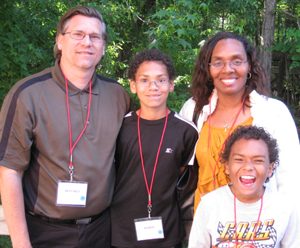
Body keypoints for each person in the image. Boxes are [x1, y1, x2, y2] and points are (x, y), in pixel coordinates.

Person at [0, 6, 133, 248]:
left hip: (102, 231)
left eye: (95, 37)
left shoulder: (119, 96)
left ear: (103, 47)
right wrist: (21, 244)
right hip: (45, 233)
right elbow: (9, 170)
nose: (87, 42)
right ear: (60, 41)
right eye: (78, 34)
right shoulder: (27, 94)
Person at [179, 32, 300, 213]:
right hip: (204, 226)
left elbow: (290, 182)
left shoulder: (274, 113)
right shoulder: (194, 109)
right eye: (218, 62)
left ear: (249, 65)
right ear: (208, 69)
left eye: (237, 61)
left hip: (257, 228)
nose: (228, 69)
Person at [110, 49, 199, 248]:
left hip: (167, 233)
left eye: (161, 80)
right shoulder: (119, 127)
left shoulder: (186, 131)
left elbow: (183, 181)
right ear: (133, 85)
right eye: (144, 80)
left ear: (171, 84)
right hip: (121, 232)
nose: (153, 87)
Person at [188, 125, 300, 247]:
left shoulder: (284, 207)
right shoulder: (209, 205)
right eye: (239, 159)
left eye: (258, 160)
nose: (248, 167)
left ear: (270, 168)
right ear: (227, 166)